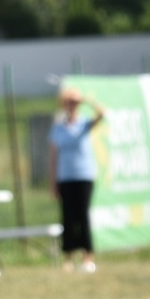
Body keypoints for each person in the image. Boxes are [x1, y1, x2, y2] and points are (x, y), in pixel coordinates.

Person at [49, 86, 107, 272]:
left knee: (82, 216)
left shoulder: (84, 123)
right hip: (65, 178)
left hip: (84, 176)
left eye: (74, 102)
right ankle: (67, 257)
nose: (72, 105)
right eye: (69, 101)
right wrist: (53, 183)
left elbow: (102, 114)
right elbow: (53, 158)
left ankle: (87, 255)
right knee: (67, 217)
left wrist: (85, 100)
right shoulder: (58, 128)